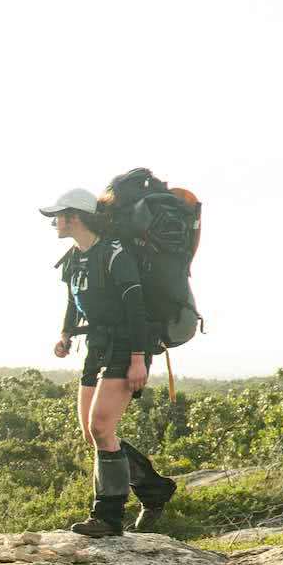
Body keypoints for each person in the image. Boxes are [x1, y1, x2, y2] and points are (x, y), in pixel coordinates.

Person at [41, 188, 179, 536]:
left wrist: (137, 359)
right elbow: (74, 299)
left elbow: (135, 308)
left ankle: (108, 517)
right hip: (97, 344)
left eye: (58, 216)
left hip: (127, 345)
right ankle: (154, 489)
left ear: (75, 217)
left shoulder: (116, 253)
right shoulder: (75, 257)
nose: (54, 222)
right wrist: (65, 333)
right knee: (94, 433)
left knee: (102, 428)